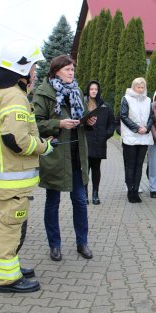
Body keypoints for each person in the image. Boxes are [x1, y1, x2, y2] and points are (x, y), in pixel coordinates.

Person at [0, 40, 51, 293]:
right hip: (13, 178)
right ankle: (9, 279)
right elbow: (16, 139)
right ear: (22, 69)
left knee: (6, 226)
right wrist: (43, 147)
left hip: (4, 177)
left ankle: (7, 266)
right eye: (33, 67)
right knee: (10, 228)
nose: (35, 73)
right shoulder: (14, 96)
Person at [34, 55, 96, 262]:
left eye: (73, 69)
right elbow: (36, 124)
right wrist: (59, 124)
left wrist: (89, 120)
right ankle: (54, 245)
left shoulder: (77, 90)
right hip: (56, 155)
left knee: (80, 201)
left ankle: (82, 243)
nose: (72, 72)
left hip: (77, 155)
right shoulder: (43, 92)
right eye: (68, 69)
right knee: (53, 202)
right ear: (56, 70)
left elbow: (83, 115)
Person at [120, 77, 154, 203]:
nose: (140, 89)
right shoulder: (126, 99)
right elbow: (123, 115)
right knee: (130, 165)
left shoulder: (148, 100)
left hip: (144, 136)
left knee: (139, 165)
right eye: (138, 87)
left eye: (142, 87)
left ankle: (136, 190)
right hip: (131, 136)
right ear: (133, 87)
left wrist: (146, 128)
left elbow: (151, 116)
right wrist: (136, 128)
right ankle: (130, 191)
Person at [84, 80, 115, 205]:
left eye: (95, 89)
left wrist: (105, 135)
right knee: (85, 170)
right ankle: (84, 195)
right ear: (88, 90)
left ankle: (95, 194)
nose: (93, 91)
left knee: (96, 169)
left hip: (98, 143)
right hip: (85, 143)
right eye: (91, 89)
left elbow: (112, 124)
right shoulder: (82, 104)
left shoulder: (105, 106)